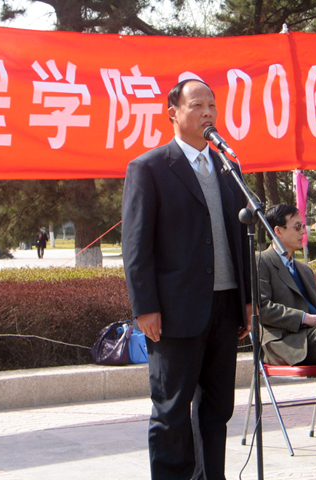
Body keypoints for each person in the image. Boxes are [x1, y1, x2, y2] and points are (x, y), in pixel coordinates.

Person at [122, 78, 252, 480]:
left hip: (225, 306)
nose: (207, 112)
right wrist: (145, 306)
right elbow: (136, 244)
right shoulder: (150, 168)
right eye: (197, 105)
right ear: (173, 114)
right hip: (175, 311)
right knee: (172, 410)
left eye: (212, 105)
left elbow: (241, 239)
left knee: (218, 408)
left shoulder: (228, 167)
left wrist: (247, 299)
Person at [259, 204, 316, 366]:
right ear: (278, 231)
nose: (303, 232)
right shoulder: (261, 262)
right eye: (297, 227)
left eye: (303, 226)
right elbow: (261, 309)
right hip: (287, 342)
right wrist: (304, 318)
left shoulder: (304, 269)